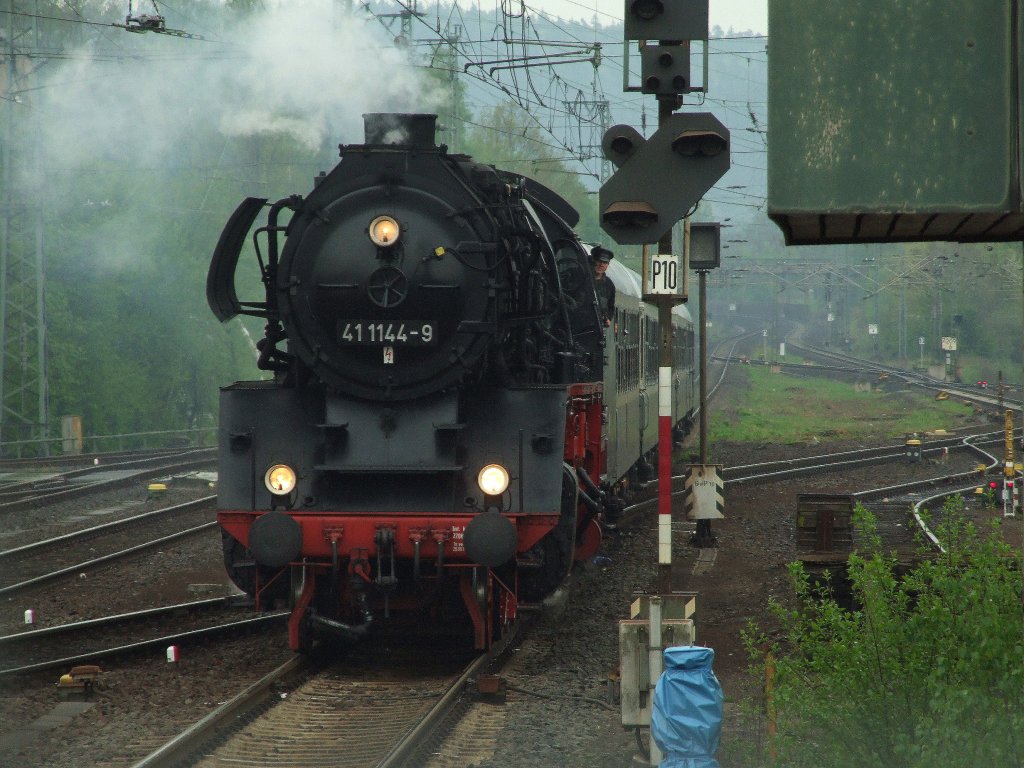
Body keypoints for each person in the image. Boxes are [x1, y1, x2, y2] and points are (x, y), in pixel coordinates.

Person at [591, 245, 615, 328]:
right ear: (593, 260)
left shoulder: (609, 285)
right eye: (599, 261)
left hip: (596, 327)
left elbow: (611, 306)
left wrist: (608, 319)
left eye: (605, 262)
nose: (601, 265)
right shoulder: (582, 278)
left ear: (607, 265)